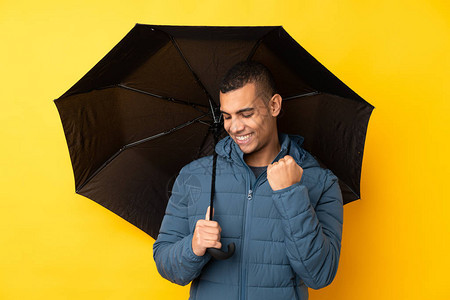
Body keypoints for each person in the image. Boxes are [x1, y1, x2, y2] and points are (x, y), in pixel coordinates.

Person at [153, 61, 343, 300]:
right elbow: (166, 264)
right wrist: (193, 246)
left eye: (246, 113)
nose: (235, 127)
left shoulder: (319, 181)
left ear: (274, 105)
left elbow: (320, 275)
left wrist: (291, 194)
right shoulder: (195, 176)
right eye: (227, 116)